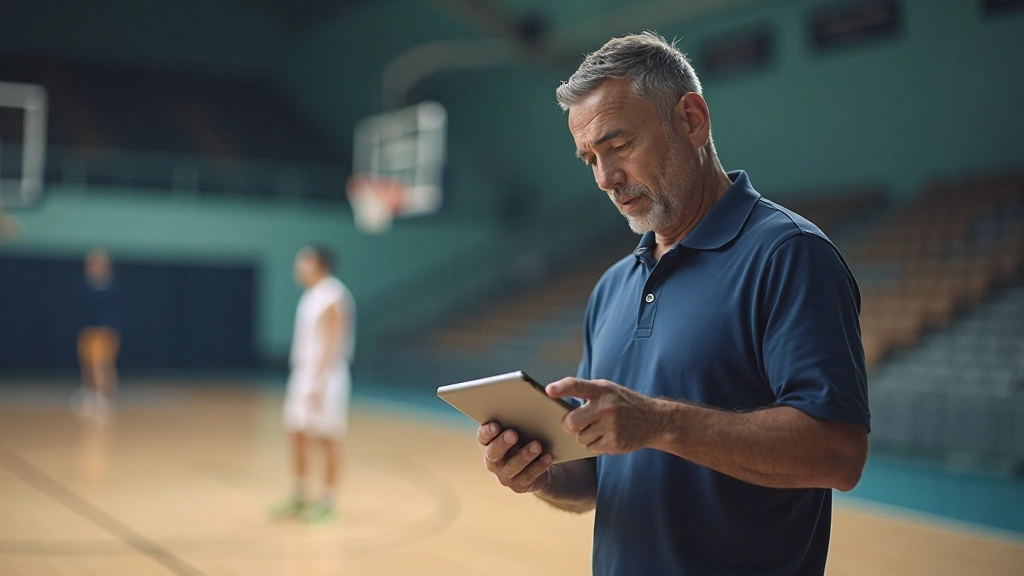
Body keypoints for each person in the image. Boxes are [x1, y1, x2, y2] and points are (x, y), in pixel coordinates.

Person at [476, 32, 869, 575]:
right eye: (590, 159)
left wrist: (658, 422)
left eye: (618, 145)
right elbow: (595, 477)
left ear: (692, 120)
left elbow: (839, 454)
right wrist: (540, 472)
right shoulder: (611, 287)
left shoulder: (790, 255)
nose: (605, 178)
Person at [271, 246, 355, 523]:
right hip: (303, 374)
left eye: (304, 261)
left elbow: (333, 342)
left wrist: (318, 382)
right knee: (296, 432)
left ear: (319, 264)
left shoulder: (333, 295)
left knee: (327, 437)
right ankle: (299, 494)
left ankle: (328, 500)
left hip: (326, 377)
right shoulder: (311, 295)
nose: (298, 266)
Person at [76, 249, 121, 422]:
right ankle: (92, 393)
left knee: (102, 365)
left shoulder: (110, 285)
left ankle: (103, 397)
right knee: (89, 364)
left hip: (104, 331)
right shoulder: (86, 284)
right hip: (89, 331)